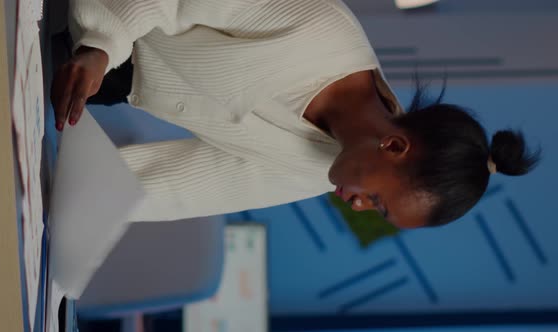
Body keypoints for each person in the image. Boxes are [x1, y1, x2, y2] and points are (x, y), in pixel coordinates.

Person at [51, 0, 540, 229]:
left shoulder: (318, 171)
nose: (358, 206)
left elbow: (188, 184)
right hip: (105, 21)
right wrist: (101, 44)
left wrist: (80, 207)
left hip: (101, 77)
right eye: (378, 201)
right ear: (394, 146)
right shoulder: (320, 30)